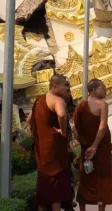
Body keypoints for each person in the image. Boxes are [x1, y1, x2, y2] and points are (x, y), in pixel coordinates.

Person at [30, 73, 75, 211]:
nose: (67, 87)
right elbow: (61, 114)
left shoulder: (39, 100)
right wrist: (63, 131)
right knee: (56, 184)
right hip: (54, 148)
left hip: (42, 147)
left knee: (44, 183)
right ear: (55, 86)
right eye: (65, 85)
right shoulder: (58, 100)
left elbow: (29, 120)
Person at [73, 79, 112, 211]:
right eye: (102, 87)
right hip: (100, 148)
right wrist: (94, 146)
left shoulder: (80, 106)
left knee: (85, 178)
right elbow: (102, 128)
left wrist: (84, 144)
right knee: (102, 178)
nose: (105, 89)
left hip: (86, 149)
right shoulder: (102, 104)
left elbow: (74, 128)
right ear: (93, 90)